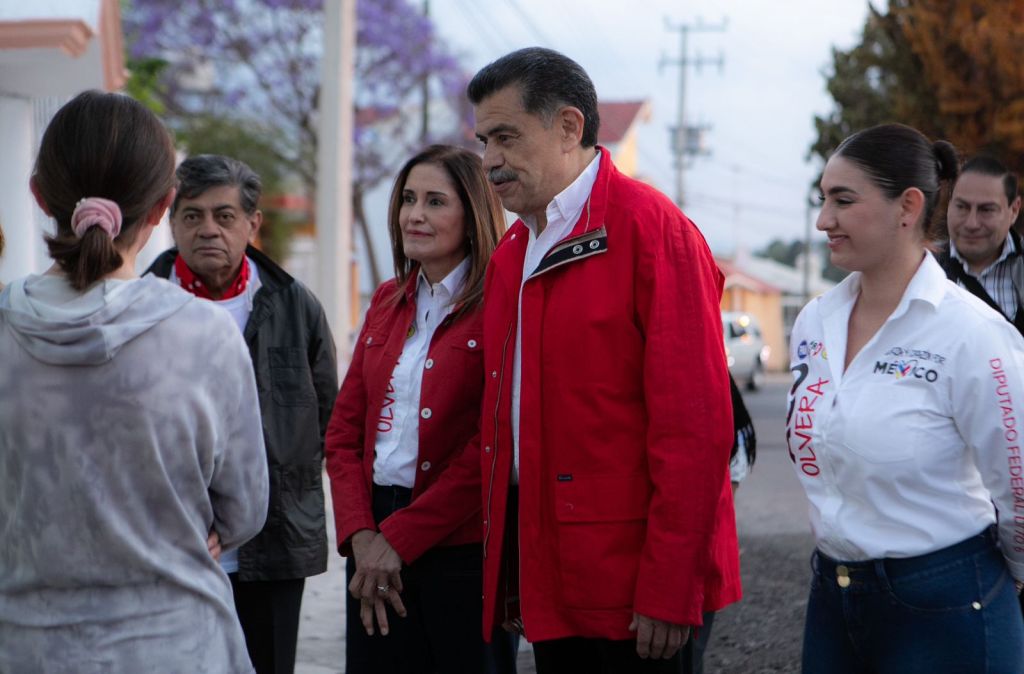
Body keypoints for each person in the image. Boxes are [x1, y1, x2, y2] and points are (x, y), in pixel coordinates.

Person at [467, 47, 740, 673]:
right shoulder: (514, 251)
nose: (489, 161)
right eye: (484, 141)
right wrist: (513, 572)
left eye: (505, 137)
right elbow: (512, 428)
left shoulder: (652, 230)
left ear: (569, 127)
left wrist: (672, 586)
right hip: (555, 578)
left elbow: (695, 430)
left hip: (634, 587)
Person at [0, 91, 268, 672]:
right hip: (179, 645)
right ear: (163, 207)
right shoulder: (205, 336)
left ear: (39, 194)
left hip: (26, 646)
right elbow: (244, 511)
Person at [790, 123, 1024, 673]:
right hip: (832, 593)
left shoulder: (971, 333)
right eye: (823, 200)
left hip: (946, 603)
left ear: (908, 206)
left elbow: (1018, 483)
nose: (824, 220)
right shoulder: (814, 322)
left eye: (843, 201)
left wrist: (1013, 571)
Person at [325, 144, 514, 673]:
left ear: (473, 214)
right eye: (409, 199)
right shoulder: (387, 300)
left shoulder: (502, 303)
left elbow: (495, 444)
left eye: (435, 202)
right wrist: (363, 535)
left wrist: (400, 540)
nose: (415, 214)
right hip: (371, 540)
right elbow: (342, 434)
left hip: (460, 546)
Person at [147, 155, 338, 674]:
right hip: (165, 549)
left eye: (224, 215)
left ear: (253, 224)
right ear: (170, 222)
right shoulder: (136, 307)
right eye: (191, 215)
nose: (208, 229)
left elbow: (328, 421)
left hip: (274, 546)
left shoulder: (296, 307)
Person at [938, 155, 1024, 334]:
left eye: (986, 210)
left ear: (1014, 210)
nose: (972, 223)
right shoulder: (919, 269)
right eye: (962, 207)